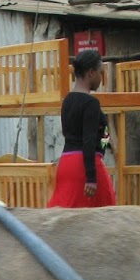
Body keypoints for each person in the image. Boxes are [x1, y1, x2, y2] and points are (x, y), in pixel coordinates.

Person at [46, 48, 116, 208]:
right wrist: (91, 177)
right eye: (100, 72)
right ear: (91, 73)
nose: (101, 78)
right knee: (106, 211)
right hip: (85, 165)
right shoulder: (91, 103)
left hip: (66, 163)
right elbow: (89, 140)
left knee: (65, 211)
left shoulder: (67, 101)